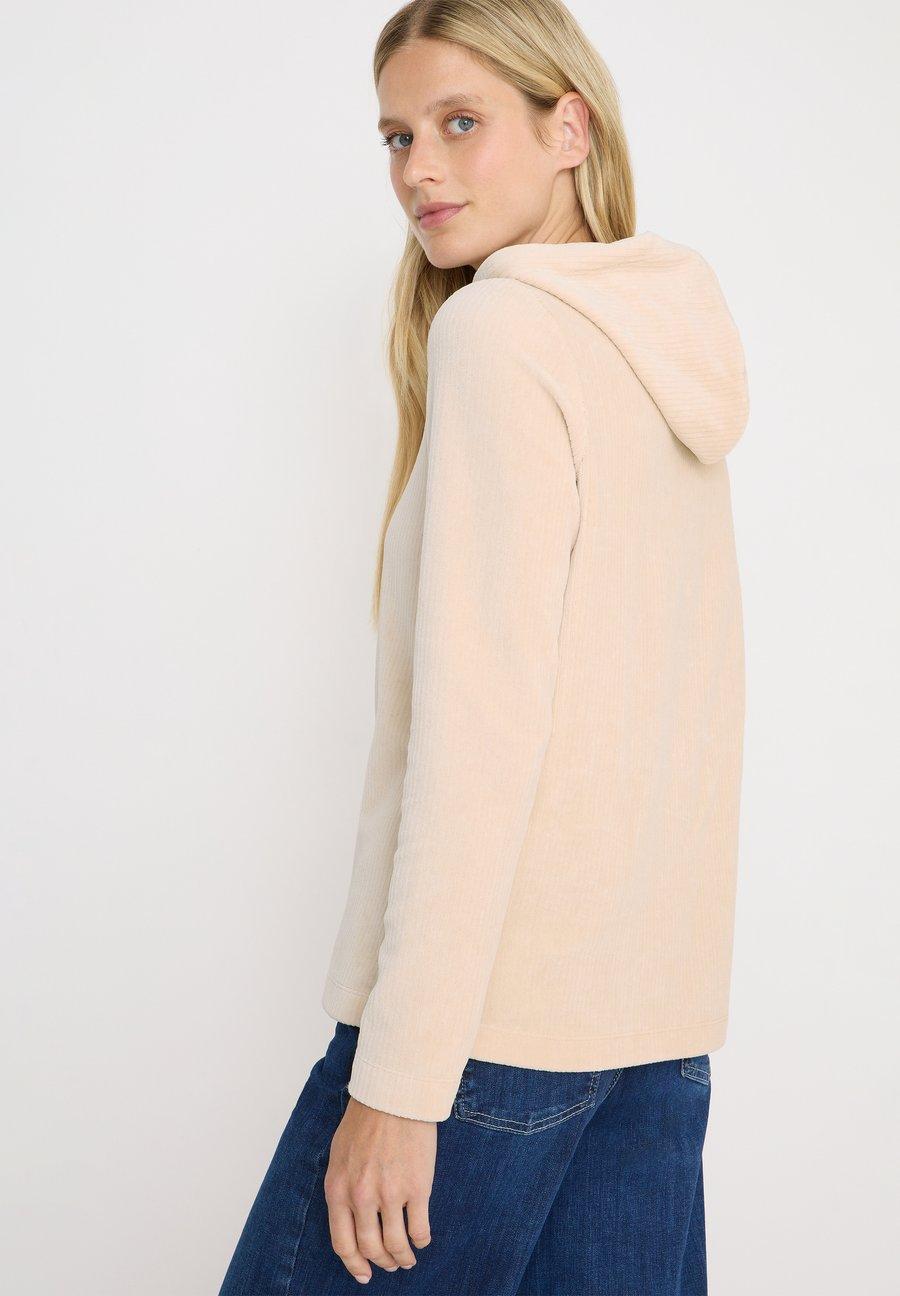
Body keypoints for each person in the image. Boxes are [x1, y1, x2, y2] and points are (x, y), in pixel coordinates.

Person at [218, 1, 749, 1292]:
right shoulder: (656, 348)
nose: (420, 170)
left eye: (461, 123)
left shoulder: (502, 335)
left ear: (569, 127)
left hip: (482, 1039)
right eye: (398, 136)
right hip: (651, 1034)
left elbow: (482, 740)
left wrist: (400, 1084)